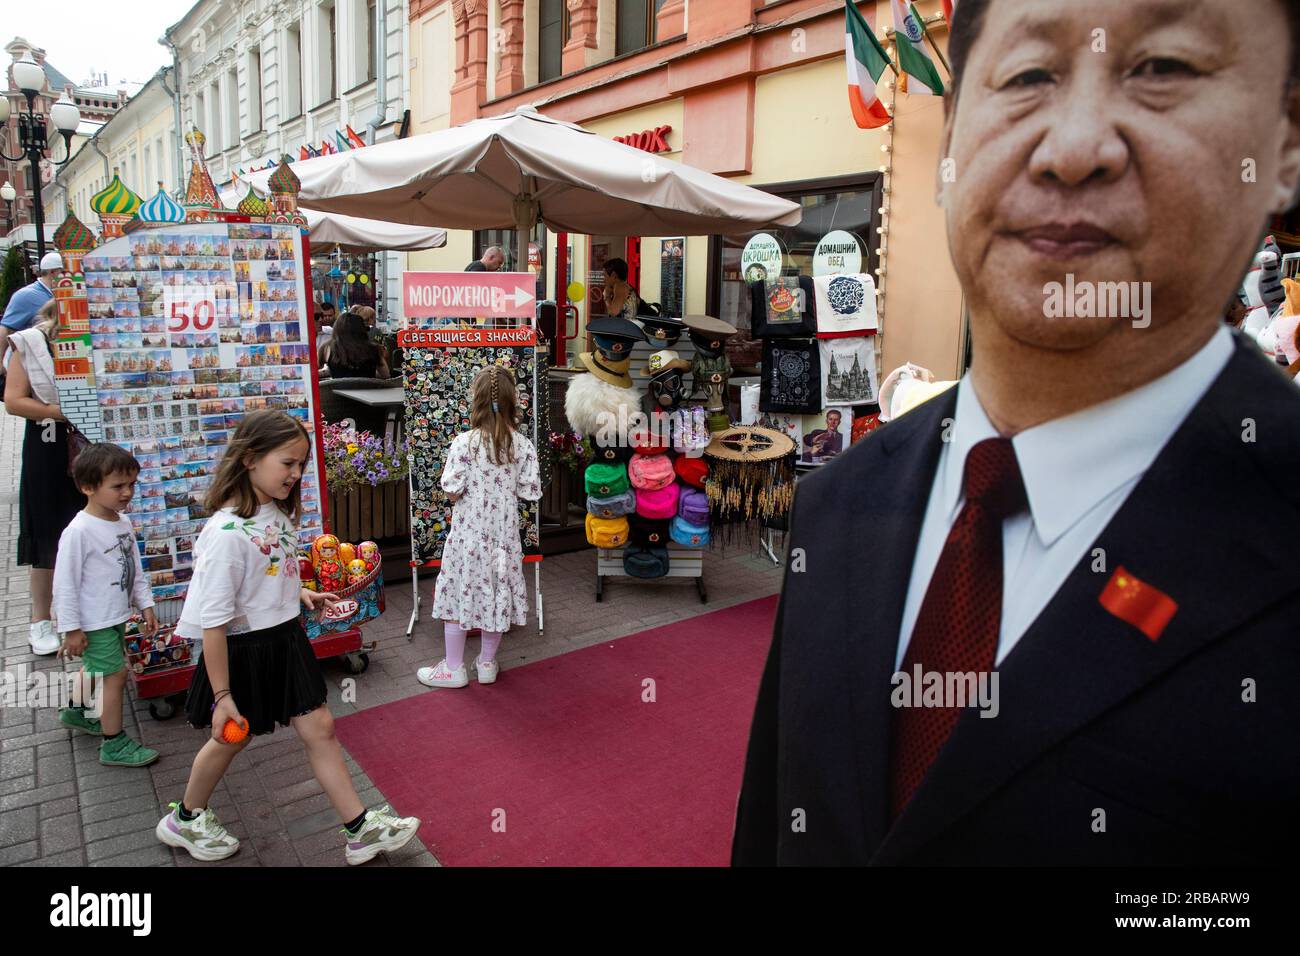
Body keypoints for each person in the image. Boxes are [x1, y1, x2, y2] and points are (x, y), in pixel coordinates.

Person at [733, 0, 1300, 866]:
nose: (1074, 147)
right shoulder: (837, 505)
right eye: (1028, 74)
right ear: (951, 141)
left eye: (1165, 69)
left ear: (1286, 143)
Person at [155, 410, 420, 864]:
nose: (296, 474)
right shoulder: (224, 536)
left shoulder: (273, 511)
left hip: (284, 639)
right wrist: (222, 696)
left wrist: (299, 592)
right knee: (231, 737)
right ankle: (184, 818)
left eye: (301, 464)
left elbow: (264, 576)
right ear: (250, 459)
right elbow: (214, 622)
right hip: (241, 653)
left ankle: (359, 830)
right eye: (288, 463)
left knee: (320, 727)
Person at [417, 366, 542, 688]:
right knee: (497, 593)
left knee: (460, 594)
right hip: (504, 539)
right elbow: (530, 492)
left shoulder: (464, 443)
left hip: (468, 538)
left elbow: (451, 490)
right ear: (514, 400)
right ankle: (486, 663)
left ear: (476, 400)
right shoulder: (522, 445)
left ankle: (454, 668)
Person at [53, 443, 160, 767]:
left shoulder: (121, 522)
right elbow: (64, 584)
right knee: (114, 676)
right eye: (118, 486)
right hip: (93, 620)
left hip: (114, 615)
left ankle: (77, 710)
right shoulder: (79, 532)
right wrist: (71, 629)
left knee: (96, 668)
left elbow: (134, 567)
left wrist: (146, 604)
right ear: (88, 487)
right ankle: (113, 743)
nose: (127, 493)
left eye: (131, 484)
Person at [3, 299, 85, 655]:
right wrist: (63, 412)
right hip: (48, 446)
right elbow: (14, 401)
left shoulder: (95, 338)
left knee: (93, 525)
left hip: (91, 447)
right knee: (48, 532)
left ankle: (87, 614)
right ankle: (40, 620)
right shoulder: (32, 342)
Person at [0, 251, 63, 368]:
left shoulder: (64, 293)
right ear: (53, 272)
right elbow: (6, 328)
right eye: (64, 272)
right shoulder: (26, 295)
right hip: (31, 364)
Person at [319, 311, 390, 378]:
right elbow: (385, 375)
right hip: (368, 389)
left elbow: (312, 370)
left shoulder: (326, 348)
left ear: (336, 329)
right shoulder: (374, 349)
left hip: (338, 390)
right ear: (362, 330)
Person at [601, 257, 641, 323]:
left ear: (614, 275)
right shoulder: (626, 286)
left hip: (628, 330)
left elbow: (613, 312)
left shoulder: (620, 286)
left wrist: (606, 297)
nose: (604, 279)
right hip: (629, 329)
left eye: (605, 276)